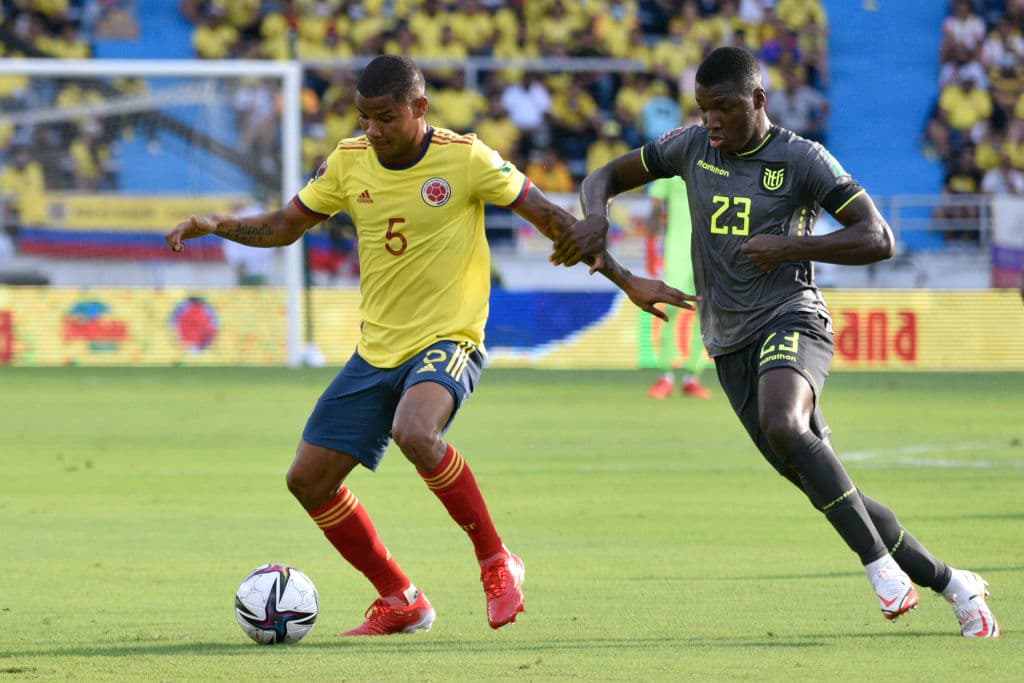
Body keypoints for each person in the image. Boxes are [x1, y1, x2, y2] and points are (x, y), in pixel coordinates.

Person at [166, 55, 696, 637]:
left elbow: (552, 219)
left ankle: (497, 561)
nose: (373, 130)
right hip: (377, 349)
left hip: (450, 337)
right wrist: (218, 223)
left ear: (419, 108)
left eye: (385, 118)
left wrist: (627, 280)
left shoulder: (465, 158)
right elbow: (285, 225)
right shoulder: (348, 162)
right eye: (365, 118)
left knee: (416, 431)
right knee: (307, 480)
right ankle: (400, 597)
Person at [551, 46, 1000, 638]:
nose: (712, 121)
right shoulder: (690, 146)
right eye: (704, 108)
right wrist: (596, 214)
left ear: (758, 101)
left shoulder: (801, 159)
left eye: (725, 109)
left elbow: (878, 236)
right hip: (728, 342)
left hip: (793, 316)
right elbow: (603, 175)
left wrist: (791, 246)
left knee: (784, 424)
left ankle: (879, 571)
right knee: (838, 495)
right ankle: (954, 583)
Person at [645, 176, 712, 399]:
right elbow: (656, 207)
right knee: (669, 309)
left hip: (708, 252)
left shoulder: (718, 163)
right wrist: (651, 246)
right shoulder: (672, 163)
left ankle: (692, 376)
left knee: (704, 312)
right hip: (678, 252)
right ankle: (665, 375)